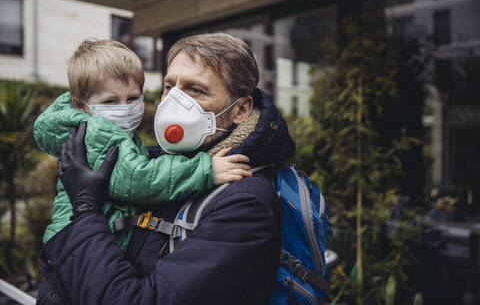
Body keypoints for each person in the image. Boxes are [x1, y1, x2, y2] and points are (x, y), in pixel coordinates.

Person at [37, 33, 296, 305]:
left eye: (195, 90)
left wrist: (86, 211)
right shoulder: (160, 161)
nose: (174, 101)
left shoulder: (245, 203)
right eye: (170, 86)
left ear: (241, 109)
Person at [33, 39, 252, 251]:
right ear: (80, 106)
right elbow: (137, 178)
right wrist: (205, 170)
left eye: (133, 98)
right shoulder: (97, 131)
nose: (125, 108)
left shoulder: (109, 131)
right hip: (76, 246)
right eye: (110, 101)